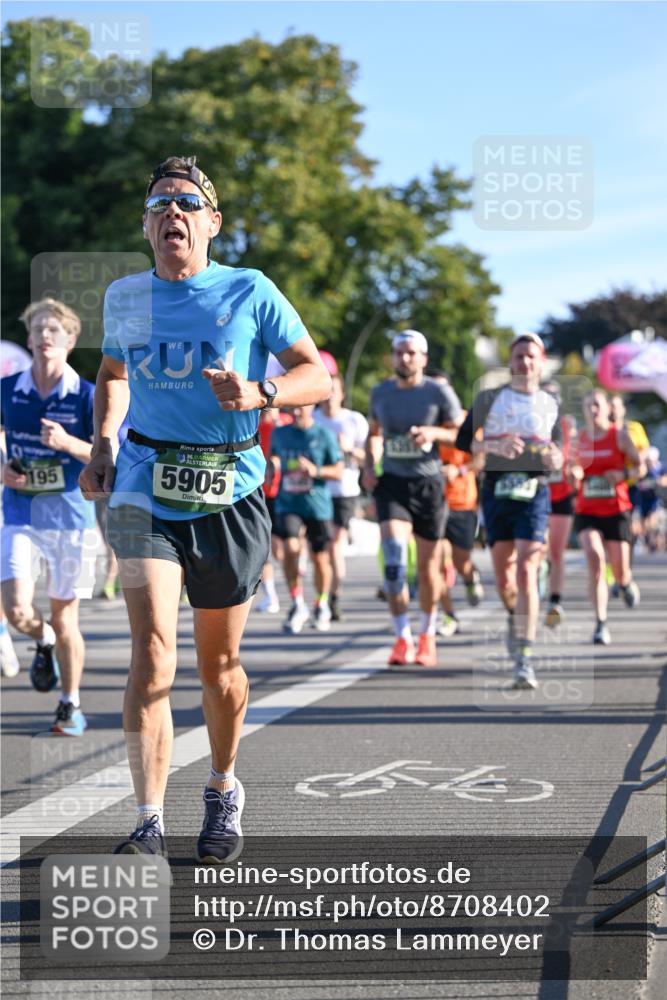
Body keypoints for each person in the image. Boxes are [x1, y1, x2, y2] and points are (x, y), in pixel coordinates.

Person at [79, 155, 331, 859]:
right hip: (143, 480)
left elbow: (315, 374)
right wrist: (102, 441)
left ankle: (222, 787)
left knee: (219, 667)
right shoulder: (126, 296)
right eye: (158, 206)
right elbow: (112, 373)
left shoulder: (250, 290)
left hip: (231, 485)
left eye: (186, 203)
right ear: (146, 227)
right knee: (153, 655)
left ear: (212, 222)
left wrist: (263, 394)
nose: (171, 215)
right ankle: (148, 818)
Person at [1, 298, 95, 733]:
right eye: (37, 330)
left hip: (70, 519)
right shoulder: (8, 390)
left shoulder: (87, 395)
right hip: (20, 512)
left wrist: (68, 444)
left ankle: (69, 704)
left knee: (65, 615)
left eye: (53, 331)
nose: (44, 338)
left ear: (70, 341)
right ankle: (43, 640)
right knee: (17, 609)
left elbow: (107, 455)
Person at [456, 332, 562, 690]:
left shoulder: (551, 403)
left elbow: (560, 452)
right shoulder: (490, 398)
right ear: (511, 362)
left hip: (535, 491)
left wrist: (554, 456)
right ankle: (515, 618)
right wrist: (494, 442)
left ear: (540, 361)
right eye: (519, 357)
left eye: (531, 356)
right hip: (496, 492)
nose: (525, 363)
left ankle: (524, 657)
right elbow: (463, 441)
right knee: (504, 579)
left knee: (527, 570)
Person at [363, 329, 463, 668]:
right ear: (392, 357)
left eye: (410, 353)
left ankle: (427, 635)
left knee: (428, 568)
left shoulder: (439, 392)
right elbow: (374, 434)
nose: (404, 359)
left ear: (423, 358)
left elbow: (459, 435)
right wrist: (368, 465)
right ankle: (402, 637)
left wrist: (433, 433)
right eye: (399, 353)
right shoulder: (380, 392)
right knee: (393, 560)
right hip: (392, 482)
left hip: (429, 485)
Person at [572, 389, 643, 645]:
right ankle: (601, 622)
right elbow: (572, 470)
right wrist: (575, 474)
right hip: (587, 510)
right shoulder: (579, 439)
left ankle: (625, 583)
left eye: (597, 405)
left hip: (616, 510)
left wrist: (623, 474)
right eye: (588, 406)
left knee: (620, 569)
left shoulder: (620, 437)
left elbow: (639, 467)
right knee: (594, 558)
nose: (593, 410)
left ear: (607, 409)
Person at [269, 404, 343, 632]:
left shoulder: (324, 435)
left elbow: (339, 470)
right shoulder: (280, 433)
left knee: (319, 558)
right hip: (288, 502)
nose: (297, 412)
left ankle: (321, 604)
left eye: (302, 408)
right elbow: (273, 456)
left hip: (317, 506)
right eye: (293, 408)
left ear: (312, 407)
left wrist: (316, 471)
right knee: (290, 549)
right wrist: (272, 466)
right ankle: (297, 602)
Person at [314, 372, 369, 620]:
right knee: (319, 550)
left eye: (334, 390)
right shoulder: (313, 419)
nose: (330, 396)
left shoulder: (354, 421)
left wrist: (349, 449)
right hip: (316, 491)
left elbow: (368, 459)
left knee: (335, 545)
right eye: (326, 390)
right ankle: (323, 597)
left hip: (345, 491)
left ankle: (333, 597)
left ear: (343, 394)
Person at [255, 405, 292, 613]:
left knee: (281, 546)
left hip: (284, 492)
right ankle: (271, 596)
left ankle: (294, 573)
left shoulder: (286, 423)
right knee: (264, 546)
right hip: (261, 493)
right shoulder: (255, 426)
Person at [544, 406, 577, 628]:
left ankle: (554, 603)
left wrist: (575, 470)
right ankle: (536, 577)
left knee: (556, 552)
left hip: (561, 497)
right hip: (536, 494)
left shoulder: (567, 428)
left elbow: (575, 457)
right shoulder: (530, 426)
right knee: (536, 550)